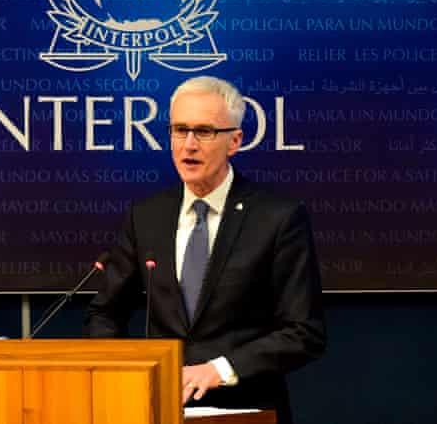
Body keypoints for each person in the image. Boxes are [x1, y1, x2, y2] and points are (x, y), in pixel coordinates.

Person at [84, 75, 326, 423]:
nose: (189, 144)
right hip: (157, 409)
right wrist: (126, 374)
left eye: (204, 131)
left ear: (235, 141)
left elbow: (305, 332)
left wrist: (219, 369)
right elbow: (104, 313)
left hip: (245, 409)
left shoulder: (277, 218)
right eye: (179, 130)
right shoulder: (146, 216)